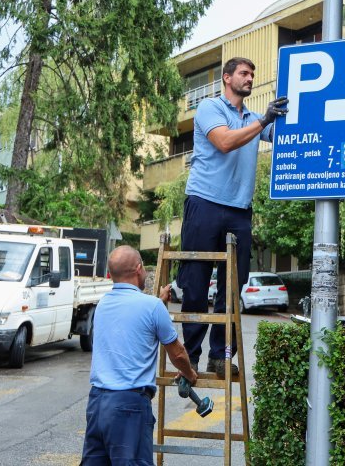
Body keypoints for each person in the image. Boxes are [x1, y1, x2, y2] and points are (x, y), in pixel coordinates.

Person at [178, 57, 288, 377]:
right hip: (204, 203)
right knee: (196, 285)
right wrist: (264, 120)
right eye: (244, 73)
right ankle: (191, 358)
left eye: (253, 74)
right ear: (227, 78)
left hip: (239, 210)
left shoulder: (254, 118)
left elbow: (285, 136)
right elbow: (225, 142)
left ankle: (221, 357)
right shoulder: (211, 109)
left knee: (232, 290)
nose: (250, 78)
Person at [81, 245, 197, 465]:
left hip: (97, 404)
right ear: (139, 268)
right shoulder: (152, 308)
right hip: (129, 405)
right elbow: (178, 355)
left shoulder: (103, 304)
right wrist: (189, 374)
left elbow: (135, 318)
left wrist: (160, 302)